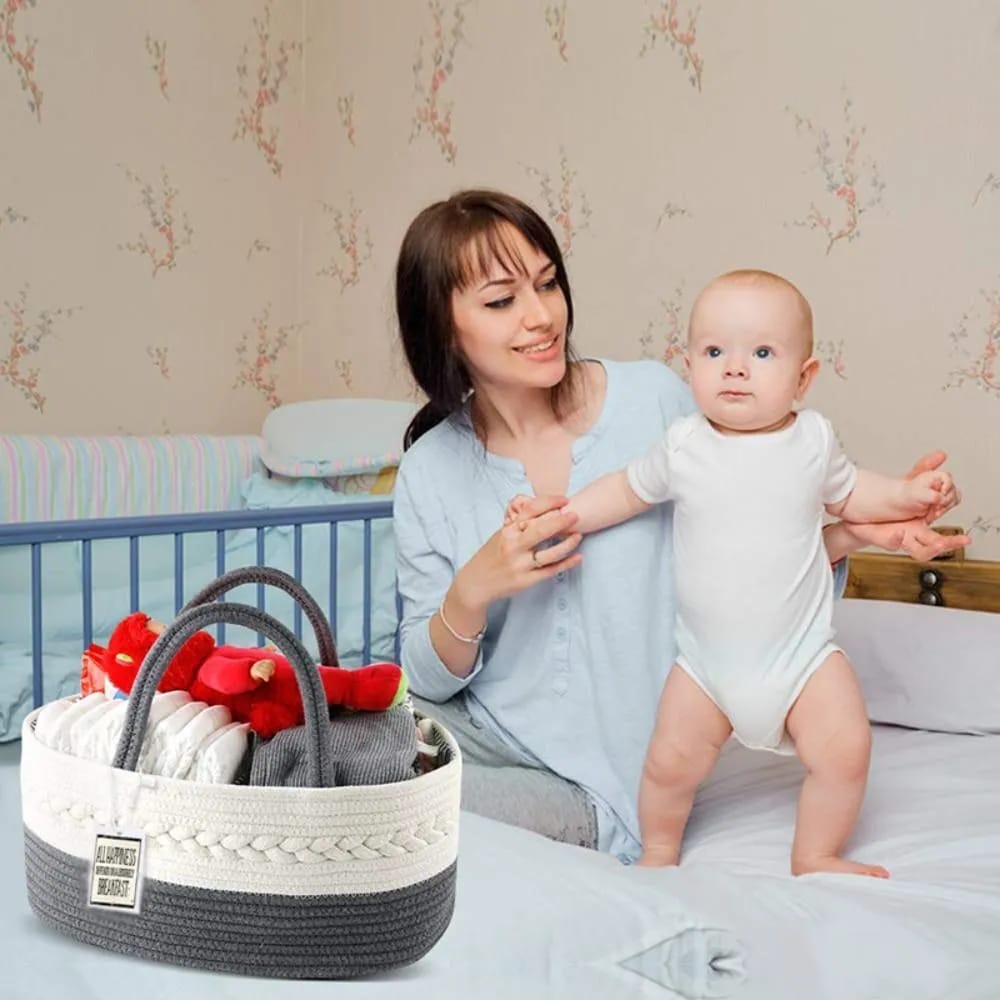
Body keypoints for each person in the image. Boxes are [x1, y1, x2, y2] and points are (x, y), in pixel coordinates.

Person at [390, 189, 967, 863]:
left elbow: (763, 556)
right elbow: (428, 682)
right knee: (322, 737)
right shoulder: (429, 469)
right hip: (487, 732)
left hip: (596, 782)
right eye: (501, 301)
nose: (542, 315)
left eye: (548, 284)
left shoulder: (659, 402)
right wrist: (473, 590)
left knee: (382, 789)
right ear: (442, 326)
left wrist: (869, 528)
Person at [506, 269, 959, 877]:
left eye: (762, 352)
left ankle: (816, 853)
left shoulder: (813, 442)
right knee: (668, 763)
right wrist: (566, 515)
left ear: (804, 377)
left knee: (846, 750)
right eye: (715, 351)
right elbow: (625, 491)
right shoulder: (684, 445)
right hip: (704, 665)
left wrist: (908, 493)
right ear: (689, 363)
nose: (735, 368)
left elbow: (855, 495)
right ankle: (659, 853)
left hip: (800, 657)